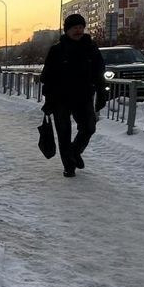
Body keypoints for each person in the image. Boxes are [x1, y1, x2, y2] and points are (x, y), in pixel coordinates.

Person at [40, 13, 105, 178]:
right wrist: (48, 99)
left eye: (81, 27)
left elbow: (99, 72)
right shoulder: (57, 50)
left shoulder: (91, 48)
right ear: (67, 30)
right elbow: (47, 76)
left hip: (83, 96)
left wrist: (102, 93)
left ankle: (75, 152)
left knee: (89, 127)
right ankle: (69, 166)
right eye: (75, 27)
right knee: (64, 133)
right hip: (60, 99)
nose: (78, 30)